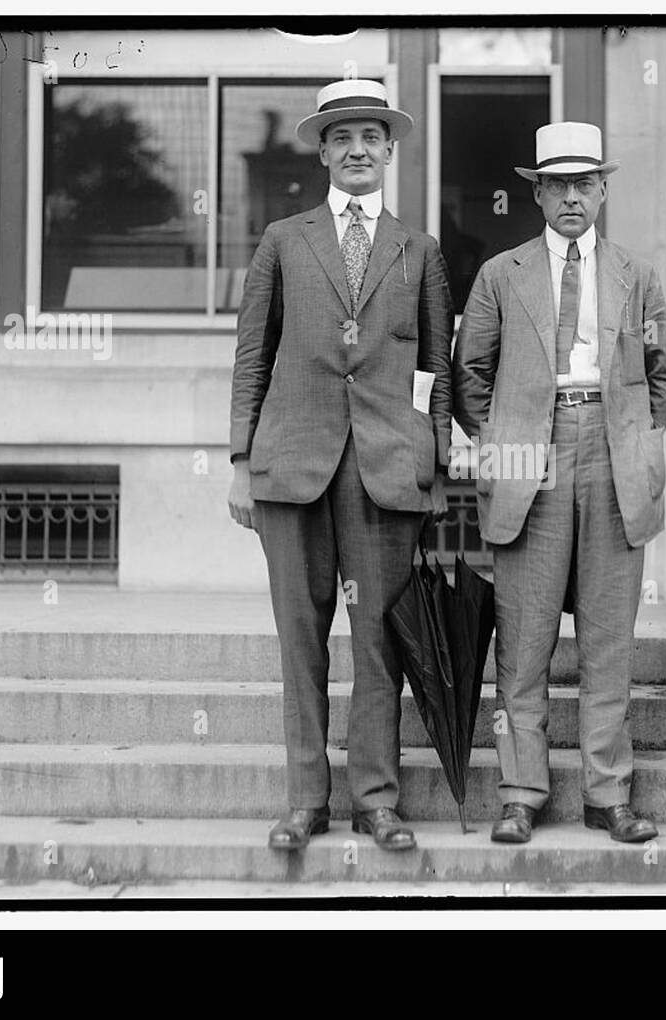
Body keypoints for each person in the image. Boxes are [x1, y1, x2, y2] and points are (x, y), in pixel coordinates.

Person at [228, 79, 452, 852]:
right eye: (343, 137)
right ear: (323, 149)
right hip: (291, 468)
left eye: (372, 137)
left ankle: (377, 801)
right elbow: (252, 356)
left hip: (386, 473)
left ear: (391, 150)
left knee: (379, 645)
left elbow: (437, 369)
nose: (358, 150)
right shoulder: (284, 240)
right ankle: (304, 800)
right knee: (300, 640)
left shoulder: (418, 249)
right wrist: (238, 461)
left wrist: (436, 462)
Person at [453, 122, 666, 845]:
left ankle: (608, 796)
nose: (573, 196)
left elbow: (665, 378)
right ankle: (520, 793)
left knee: (609, 640)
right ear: (539, 193)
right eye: (559, 184)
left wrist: (634, 438)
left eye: (586, 183)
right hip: (530, 457)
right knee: (524, 640)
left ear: (604, 190)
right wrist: (503, 440)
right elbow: (469, 376)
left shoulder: (635, 274)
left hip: (612, 456)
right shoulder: (502, 273)